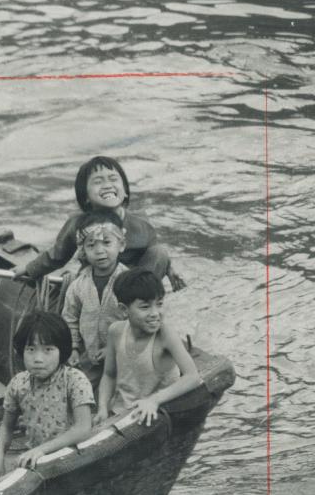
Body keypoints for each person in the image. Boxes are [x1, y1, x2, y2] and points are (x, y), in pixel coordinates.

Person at [12, 155, 186, 290]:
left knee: (160, 252)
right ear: (85, 197)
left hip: (131, 286)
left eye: (113, 179)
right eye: (98, 181)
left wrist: (169, 270)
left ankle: (137, 306)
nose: (107, 185)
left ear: (125, 191)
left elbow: (154, 250)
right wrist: (30, 269)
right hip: (95, 282)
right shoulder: (78, 223)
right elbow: (57, 255)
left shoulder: (140, 222)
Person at [0, 310, 95, 487]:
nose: (38, 359)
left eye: (48, 350)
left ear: (62, 351)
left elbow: (83, 428)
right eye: (31, 350)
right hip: (37, 462)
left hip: (75, 460)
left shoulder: (75, 380)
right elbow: (6, 426)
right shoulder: (18, 384)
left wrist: (41, 450)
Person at [96, 268, 200, 427]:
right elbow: (109, 375)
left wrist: (153, 400)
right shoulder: (115, 331)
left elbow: (192, 377)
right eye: (145, 307)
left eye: (159, 304)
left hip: (154, 412)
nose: (155, 313)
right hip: (120, 413)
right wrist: (102, 408)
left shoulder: (165, 335)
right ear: (124, 310)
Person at [60, 209, 128, 391]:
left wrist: (113, 349)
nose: (99, 251)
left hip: (125, 355)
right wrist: (73, 348)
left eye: (107, 242)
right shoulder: (78, 285)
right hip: (90, 357)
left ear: (121, 244)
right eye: (91, 246)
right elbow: (70, 318)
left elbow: (137, 321)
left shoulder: (130, 281)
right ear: (83, 251)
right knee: (75, 390)